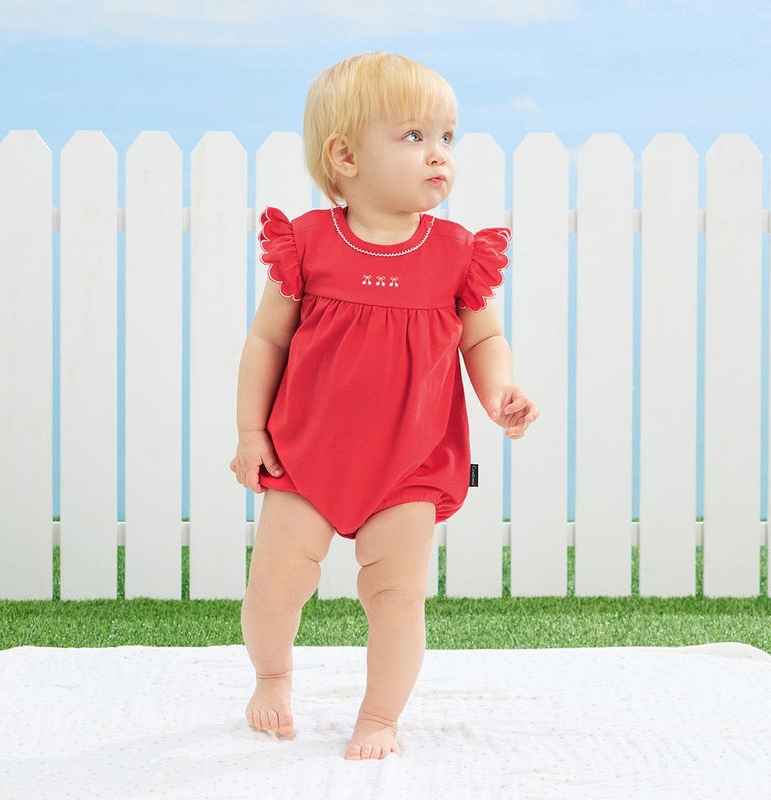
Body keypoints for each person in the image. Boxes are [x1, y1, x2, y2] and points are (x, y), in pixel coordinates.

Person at [230, 51, 538, 761]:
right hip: (306, 452)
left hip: (410, 462)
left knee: (397, 597)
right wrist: (250, 431)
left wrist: (499, 391)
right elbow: (265, 340)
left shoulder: (457, 252)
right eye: (414, 136)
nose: (439, 154)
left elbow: (482, 337)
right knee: (275, 586)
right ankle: (271, 676)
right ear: (345, 156)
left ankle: (379, 716)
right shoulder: (308, 243)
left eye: (447, 137)